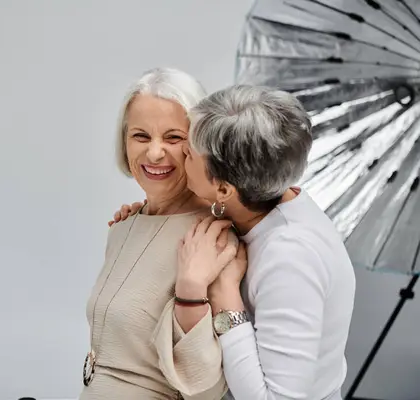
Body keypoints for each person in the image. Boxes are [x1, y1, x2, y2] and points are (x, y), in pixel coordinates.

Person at [110, 85, 357, 399]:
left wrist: (227, 300)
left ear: (224, 189)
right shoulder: (259, 202)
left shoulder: (291, 259)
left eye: (187, 153)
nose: (176, 154)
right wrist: (147, 218)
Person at [79, 67, 239, 400]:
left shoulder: (211, 239)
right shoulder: (125, 227)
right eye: (141, 136)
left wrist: (191, 289)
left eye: (173, 137)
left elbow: (207, 391)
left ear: (197, 144)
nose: (154, 153)